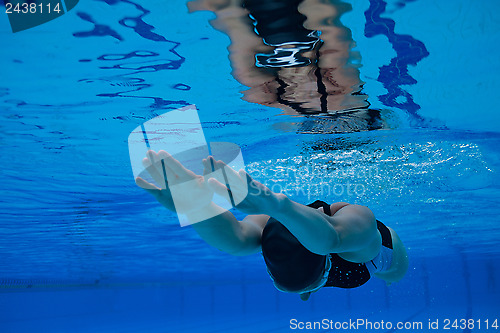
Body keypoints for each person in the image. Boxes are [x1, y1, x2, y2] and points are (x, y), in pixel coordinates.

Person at [136, 150, 408, 301]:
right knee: (263, 254)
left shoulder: (356, 236)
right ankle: (302, 283)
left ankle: (305, 283)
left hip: (363, 260)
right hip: (306, 261)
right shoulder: (273, 229)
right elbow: (237, 239)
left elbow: (332, 240)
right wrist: (196, 206)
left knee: (393, 273)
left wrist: (276, 205)